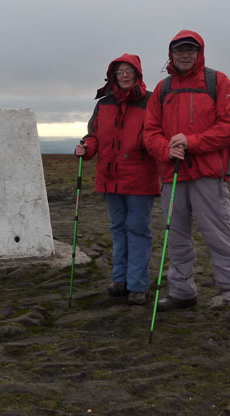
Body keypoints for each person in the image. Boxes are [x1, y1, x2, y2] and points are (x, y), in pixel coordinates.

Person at [143, 30, 230, 325]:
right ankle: (181, 292)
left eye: (190, 50)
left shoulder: (218, 81)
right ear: (171, 54)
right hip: (172, 174)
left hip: (208, 174)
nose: (185, 55)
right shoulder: (162, 89)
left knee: (220, 238)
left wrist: (191, 142)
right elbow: (149, 132)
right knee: (176, 238)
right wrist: (167, 149)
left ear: (199, 52)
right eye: (179, 50)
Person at [75, 53, 160, 306]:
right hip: (110, 178)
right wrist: (86, 149)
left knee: (137, 230)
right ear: (113, 76)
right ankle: (120, 280)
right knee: (118, 229)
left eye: (128, 71)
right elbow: (93, 136)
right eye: (119, 71)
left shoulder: (151, 101)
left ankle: (138, 285)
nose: (124, 75)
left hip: (140, 178)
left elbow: (157, 134)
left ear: (137, 74)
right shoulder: (103, 104)